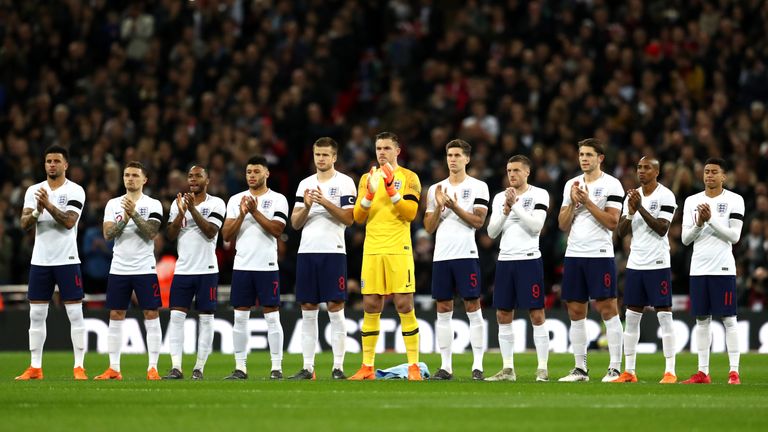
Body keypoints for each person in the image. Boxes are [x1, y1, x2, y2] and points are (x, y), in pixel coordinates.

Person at [348, 132, 422, 381]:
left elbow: (410, 213)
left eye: (387, 148)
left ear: (397, 151)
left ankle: (413, 366)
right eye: (378, 148)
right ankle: (367, 367)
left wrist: (391, 190)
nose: (382, 152)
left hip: (398, 249)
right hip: (372, 249)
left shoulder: (409, 178)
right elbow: (357, 217)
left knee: (404, 304)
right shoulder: (367, 178)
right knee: (370, 305)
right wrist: (369, 195)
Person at [16, 145, 88, 381]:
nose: (52, 165)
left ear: (66, 165)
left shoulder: (76, 190)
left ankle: (79, 367)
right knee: (36, 314)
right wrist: (37, 212)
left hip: (67, 259)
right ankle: (35, 367)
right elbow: (25, 224)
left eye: (57, 161)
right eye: (48, 161)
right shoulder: (33, 191)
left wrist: (47, 206)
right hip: (41, 261)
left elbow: (69, 221)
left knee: (75, 314)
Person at [288, 138, 356, 380]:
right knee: (308, 307)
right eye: (318, 154)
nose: (321, 159)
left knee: (336, 308)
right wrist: (306, 206)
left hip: (334, 251)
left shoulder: (345, 182)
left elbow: (349, 219)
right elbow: (295, 223)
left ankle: (338, 367)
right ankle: (308, 368)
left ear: (335, 157)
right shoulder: (304, 184)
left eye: (326, 155)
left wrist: (324, 202)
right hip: (307, 252)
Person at [557, 138, 624, 382]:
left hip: (599, 255)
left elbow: (612, 222)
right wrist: (573, 203)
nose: (584, 158)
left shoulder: (612, 184)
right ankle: (580, 369)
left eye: (589, 154)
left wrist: (587, 202)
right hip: (574, 254)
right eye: (581, 154)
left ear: (600, 158)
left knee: (607, 308)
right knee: (575, 310)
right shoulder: (570, 185)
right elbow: (562, 224)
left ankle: (615, 368)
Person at [423, 139, 489, 380]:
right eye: (449, 155)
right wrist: (440, 208)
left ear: (467, 159)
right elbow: (428, 228)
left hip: (466, 254)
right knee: (443, 308)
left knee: (473, 306)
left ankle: (478, 366)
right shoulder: (435, 190)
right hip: (442, 256)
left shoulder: (479, 187)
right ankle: (446, 367)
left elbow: (478, 222)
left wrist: (455, 207)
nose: (452, 159)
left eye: (457, 155)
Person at [95, 161, 164, 380]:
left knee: (151, 313)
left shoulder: (153, 204)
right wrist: (125, 218)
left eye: (135, 175)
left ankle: (152, 367)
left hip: (144, 267)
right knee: (116, 314)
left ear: (145, 180)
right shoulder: (113, 204)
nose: (130, 179)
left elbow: (151, 232)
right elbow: (108, 234)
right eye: (127, 175)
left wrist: (133, 214)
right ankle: (114, 368)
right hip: (119, 267)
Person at [221, 155, 289, 380]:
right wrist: (242, 212)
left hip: (267, 266)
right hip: (242, 265)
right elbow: (227, 235)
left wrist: (254, 211)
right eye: (249, 171)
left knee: (272, 317)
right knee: (240, 318)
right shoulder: (235, 200)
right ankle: (240, 367)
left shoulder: (278, 199)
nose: (252, 175)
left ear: (267, 174)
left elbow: (277, 230)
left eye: (257, 171)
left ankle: (276, 368)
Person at [485, 155, 550, 382]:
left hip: (529, 260)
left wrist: (515, 206)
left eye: (516, 170)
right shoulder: (499, 197)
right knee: (503, 314)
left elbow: (536, 227)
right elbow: (492, 232)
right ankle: (508, 369)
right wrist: (504, 209)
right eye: (509, 170)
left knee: (536, 313)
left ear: (527, 172)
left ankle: (542, 368)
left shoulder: (539, 194)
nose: (511, 174)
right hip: (505, 260)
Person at [614, 156, 678, 383]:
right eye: (639, 167)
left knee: (664, 317)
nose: (642, 171)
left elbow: (662, 228)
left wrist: (639, 207)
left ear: (657, 172)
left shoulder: (666, 195)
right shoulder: (631, 196)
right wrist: (630, 211)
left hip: (658, 263)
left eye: (647, 168)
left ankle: (670, 371)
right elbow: (621, 232)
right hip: (635, 264)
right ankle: (629, 371)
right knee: (631, 318)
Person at [681, 158, 744, 385]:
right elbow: (686, 239)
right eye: (706, 172)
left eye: (714, 172)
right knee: (702, 320)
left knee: (729, 319)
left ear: (723, 176)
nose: (709, 176)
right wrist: (699, 223)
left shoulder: (734, 200)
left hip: (723, 267)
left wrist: (711, 220)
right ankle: (702, 372)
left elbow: (734, 236)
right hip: (698, 268)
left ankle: (733, 372)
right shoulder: (692, 201)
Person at [162, 165, 226, 380]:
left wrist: (192, 210)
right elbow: (170, 236)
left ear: (207, 180)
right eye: (190, 176)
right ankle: (176, 367)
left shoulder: (216, 203)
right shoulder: (177, 203)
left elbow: (210, 232)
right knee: (177, 317)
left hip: (207, 270)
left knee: (206, 319)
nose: (193, 179)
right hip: (183, 270)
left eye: (198, 175)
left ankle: (199, 368)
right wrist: (180, 213)